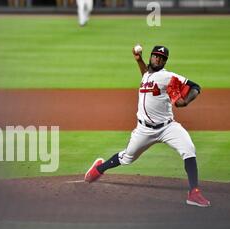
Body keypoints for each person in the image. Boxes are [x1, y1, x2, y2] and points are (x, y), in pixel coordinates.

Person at [84, 45, 211, 207]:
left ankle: (194, 193)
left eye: (162, 58)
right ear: (151, 57)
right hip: (143, 130)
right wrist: (139, 60)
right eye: (156, 56)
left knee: (189, 149)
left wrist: (185, 101)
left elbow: (195, 87)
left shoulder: (169, 76)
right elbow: (146, 74)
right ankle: (98, 169)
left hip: (168, 128)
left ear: (165, 61)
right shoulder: (147, 74)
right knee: (127, 158)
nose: (158, 59)